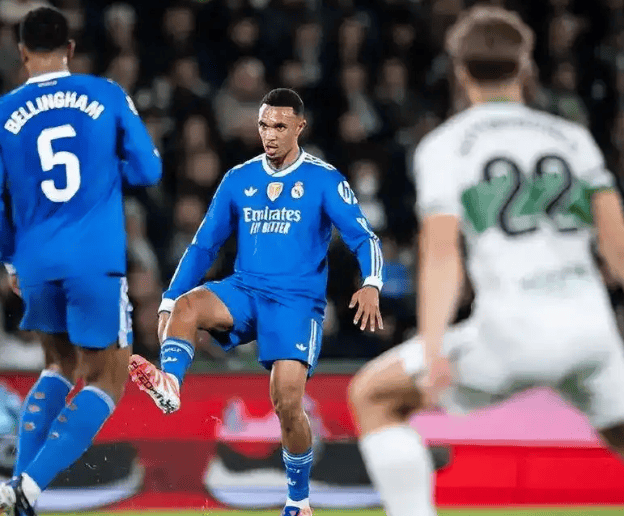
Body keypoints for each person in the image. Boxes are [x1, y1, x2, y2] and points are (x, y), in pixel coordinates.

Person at [349, 7, 624, 516]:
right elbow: (617, 247)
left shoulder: (445, 146)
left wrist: (433, 347)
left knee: (374, 397)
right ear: (526, 66)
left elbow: (441, 254)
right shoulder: (572, 138)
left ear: (460, 72)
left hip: (512, 332)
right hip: (590, 330)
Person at [129, 88, 384, 516]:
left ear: (299, 127)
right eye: (264, 125)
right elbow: (203, 245)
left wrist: (372, 282)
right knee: (187, 306)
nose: (270, 134)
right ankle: (170, 383)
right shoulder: (239, 178)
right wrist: (168, 300)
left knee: (287, 403)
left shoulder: (323, 179)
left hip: (295, 303)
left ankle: (298, 500)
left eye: (280, 126)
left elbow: (364, 237)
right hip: (245, 290)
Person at [0, 7, 161, 515]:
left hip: (35, 260)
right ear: (70, 49)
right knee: (106, 380)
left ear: (22, 52)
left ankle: (19, 494)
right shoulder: (106, 94)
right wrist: (107, 170)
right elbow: (148, 169)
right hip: (94, 258)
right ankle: (30, 486)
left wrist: (10, 259)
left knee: (58, 365)